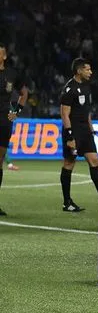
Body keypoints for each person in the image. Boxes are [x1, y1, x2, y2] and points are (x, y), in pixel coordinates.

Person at [59, 58, 98, 212]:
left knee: (94, 160)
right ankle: (67, 202)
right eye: (88, 69)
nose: (90, 72)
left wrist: (91, 128)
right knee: (69, 163)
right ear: (79, 70)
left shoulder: (86, 87)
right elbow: (64, 114)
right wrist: (70, 136)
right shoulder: (69, 89)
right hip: (73, 131)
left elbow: (86, 110)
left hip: (85, 131)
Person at [0, 42, 28, 216]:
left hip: (4, 119)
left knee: (0, 159)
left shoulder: (12, 74)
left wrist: (16, 111)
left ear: (4, 56)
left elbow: (24, 93)